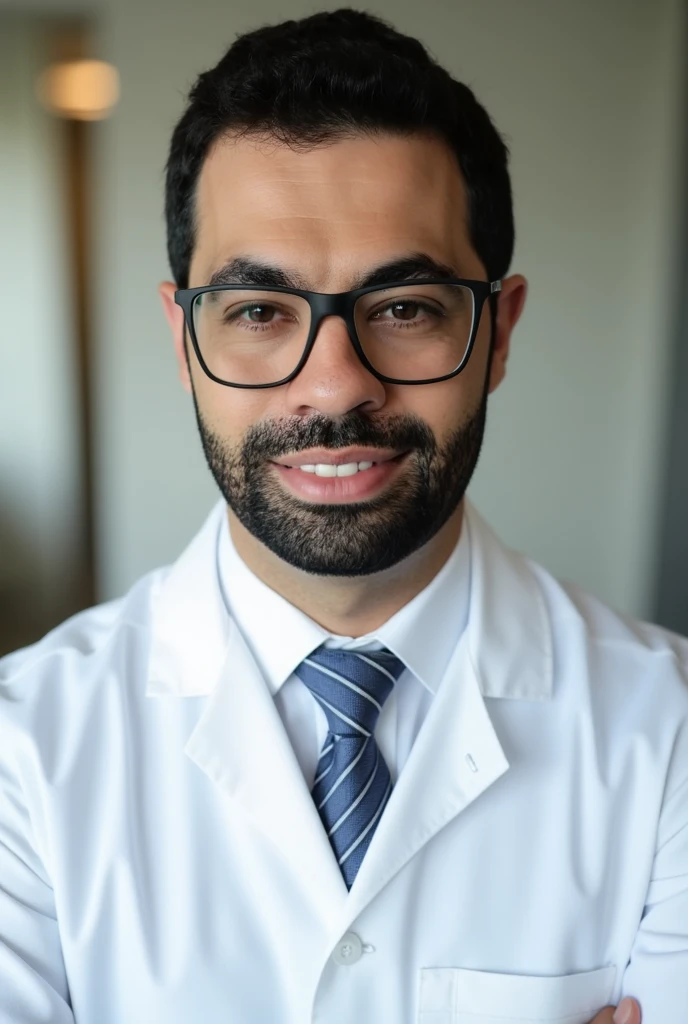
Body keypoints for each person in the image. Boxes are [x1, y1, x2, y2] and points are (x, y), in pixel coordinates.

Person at [0, 8, 685, 1023]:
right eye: (259, 310)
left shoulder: (670, 732)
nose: (332, 387)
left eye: (403, 307)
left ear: (495, 333)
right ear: (185, 343)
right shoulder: (21, 752)